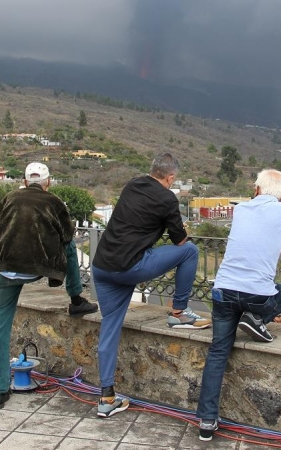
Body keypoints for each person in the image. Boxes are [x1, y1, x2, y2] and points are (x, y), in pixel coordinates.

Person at [196, 169, 281, 441]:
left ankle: (206, 420)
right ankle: (254, 318)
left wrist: (278, 239)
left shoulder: (242, 209)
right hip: (255, 296)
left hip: (223, 291)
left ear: (256, 188)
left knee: (217, 352)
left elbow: (254, 239)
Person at [91, 152, 208, 418]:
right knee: (190, 252)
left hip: (102, 266)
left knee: (109, 327)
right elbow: (180, 240)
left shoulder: (133, 184)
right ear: (170, 177)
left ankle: (107, 397)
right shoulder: (168, 198)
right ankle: (178, 313)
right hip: (130, 266)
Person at [0, 162, 97, 409]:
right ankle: (76, 298)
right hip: (36, 268)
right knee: (69, 247)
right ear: (47, 183)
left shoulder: (8, 198)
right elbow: (67, 236)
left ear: (25, 182)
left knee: (0, 326)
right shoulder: (54, 202)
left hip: (3, 268)